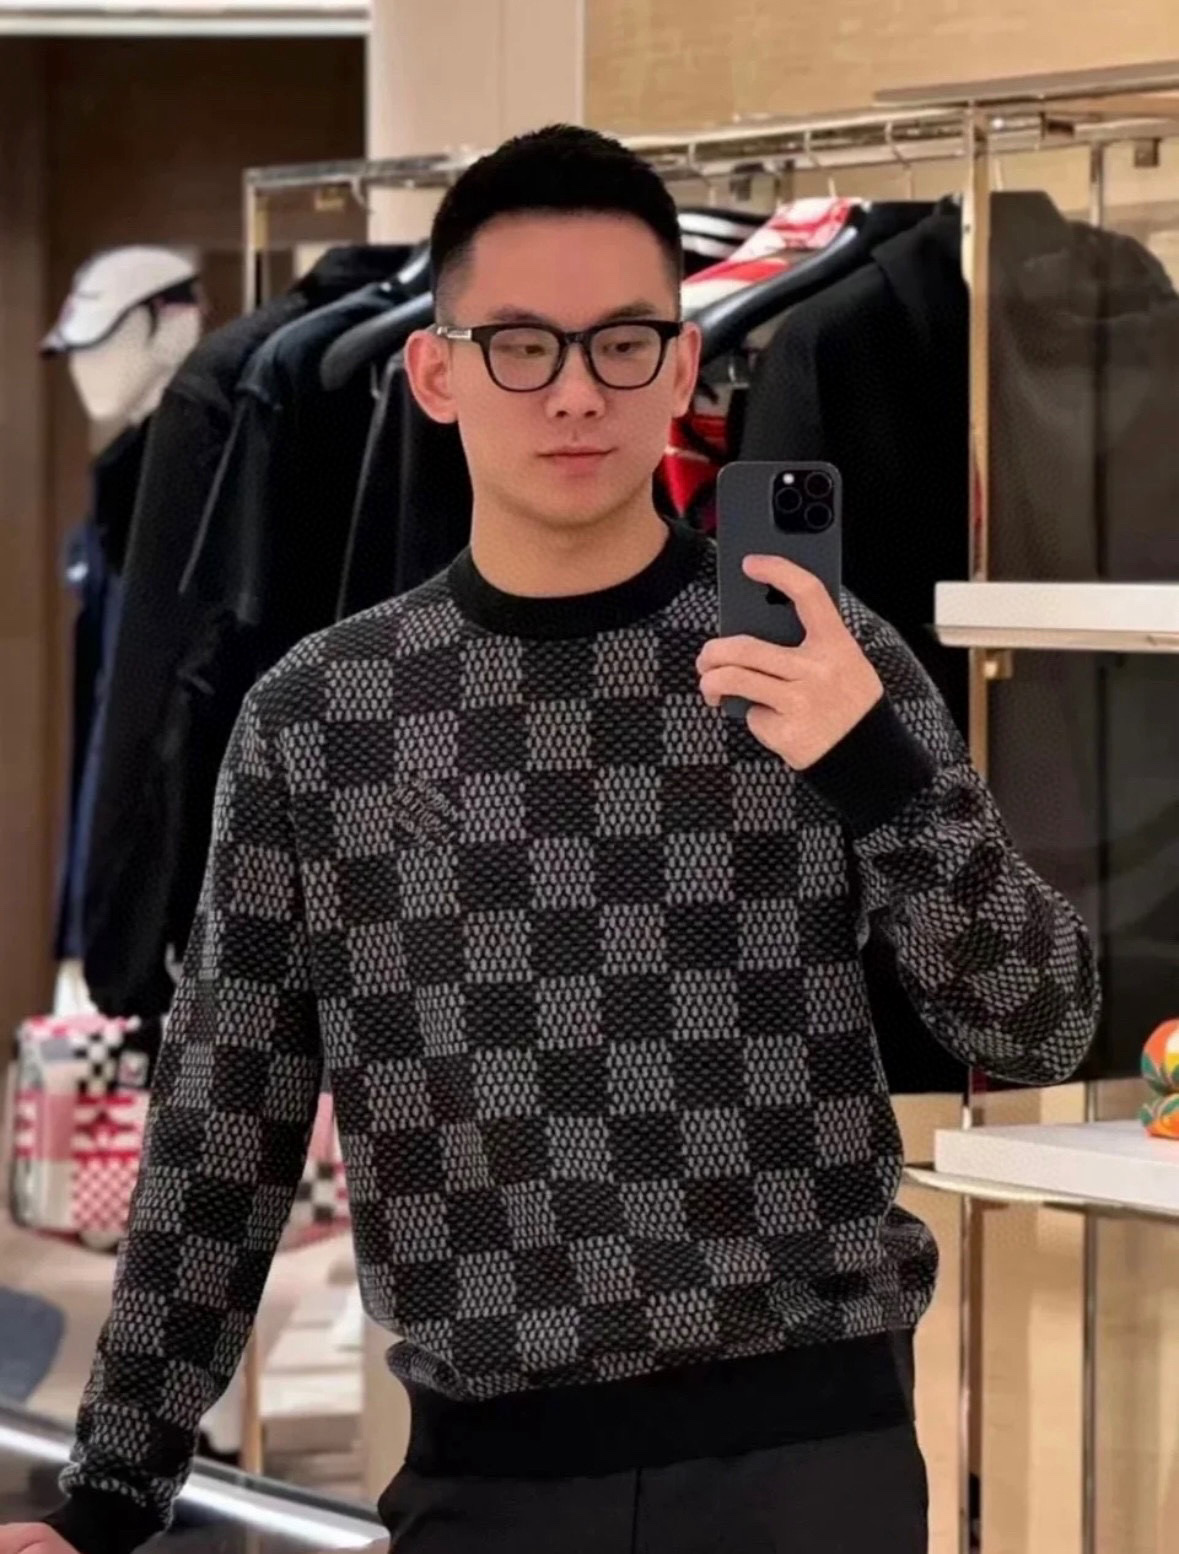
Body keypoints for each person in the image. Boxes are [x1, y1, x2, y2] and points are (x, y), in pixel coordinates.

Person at [1, 125, 1099, 1554]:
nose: (577, 392)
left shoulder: (826, 665)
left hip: (812, 1469)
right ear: (436, 371)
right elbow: (227, 1124)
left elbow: (1039, 1021)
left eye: (624, 344)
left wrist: (879, 774)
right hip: (488, 1481)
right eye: (522, 346)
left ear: (684, 367)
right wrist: (106, 1496)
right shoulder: (318, 718)